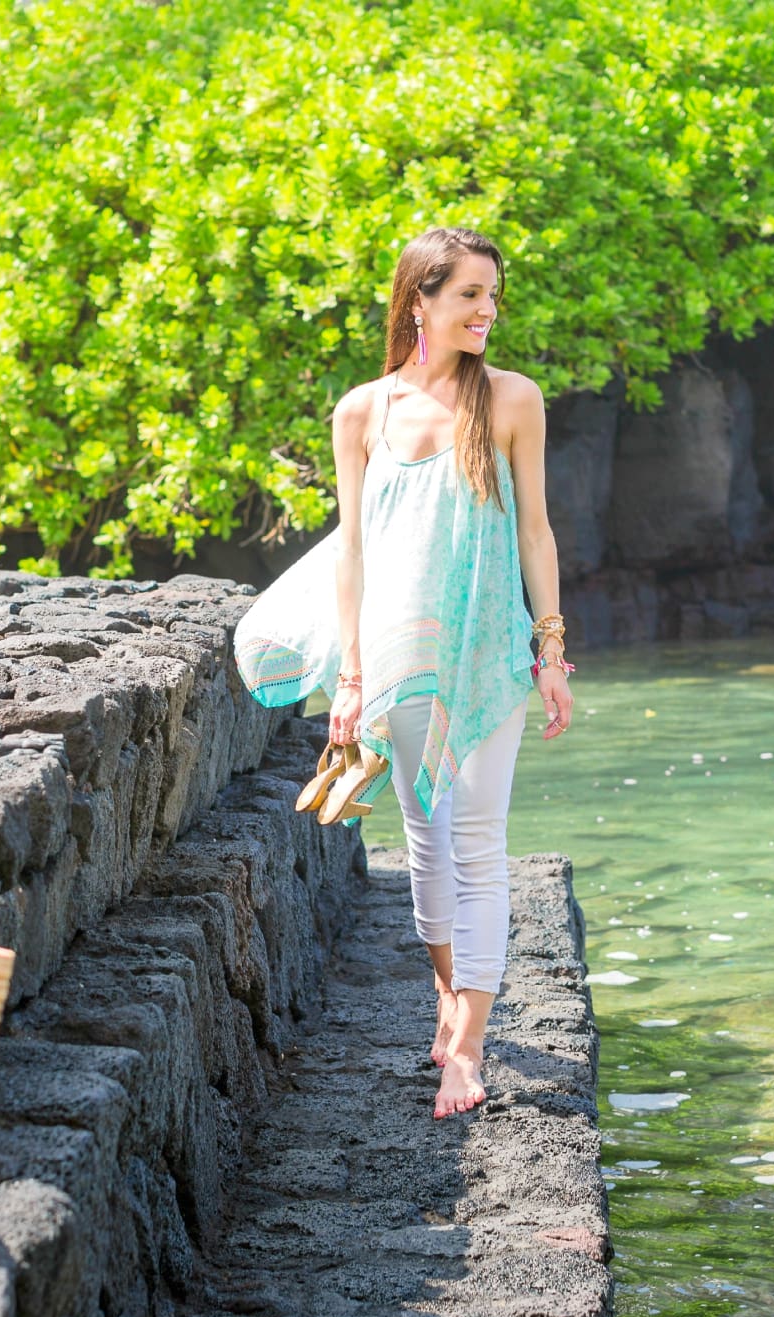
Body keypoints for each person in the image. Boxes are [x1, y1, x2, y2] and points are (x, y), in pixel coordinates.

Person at [234, 226, 575, 1119]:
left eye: (493, 295)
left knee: (481, 842)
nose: (488, 311)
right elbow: (352, 552)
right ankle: (448, 993)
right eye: (470, 295)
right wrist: (350, 676)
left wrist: (550, 652)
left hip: (491, 652)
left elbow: (535, 532)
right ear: (420, 299)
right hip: (399, 658)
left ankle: (467, 1046)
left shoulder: (513, 400)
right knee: (428, 843)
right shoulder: (363, 412)